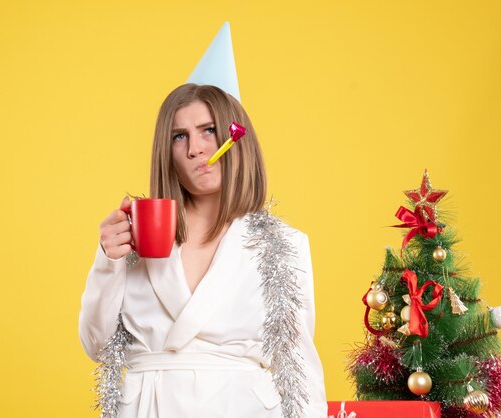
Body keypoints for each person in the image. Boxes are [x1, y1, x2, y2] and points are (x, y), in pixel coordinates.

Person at [79, 83, 327, 417]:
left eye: (208, 131)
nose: (195, 149)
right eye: (179, 136)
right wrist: (108, 261)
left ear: (236, 140)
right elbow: (97, 345)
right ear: (166, 153)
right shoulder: (134, 237)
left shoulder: (284, 244)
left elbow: (298, 367)